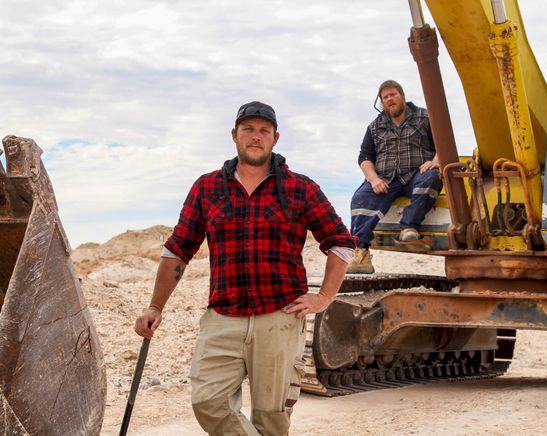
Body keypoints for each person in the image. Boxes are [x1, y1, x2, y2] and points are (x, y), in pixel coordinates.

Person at [134, 101, 356, 436]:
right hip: (223, 318)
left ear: (275, 138)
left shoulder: (300, 188)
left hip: (279, 318)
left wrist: (323, 297)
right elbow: (178, 249)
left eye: (263, 130)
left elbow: (341, 241)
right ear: (234, 135)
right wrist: (155, 306)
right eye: (248, 129)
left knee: (272, 418)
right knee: (209, 402)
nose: (256, 136)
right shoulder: (207, 188)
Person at [347, 80, 442, 274]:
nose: (389, 99)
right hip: (386, 178)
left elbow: (443, 144)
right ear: (381, 102)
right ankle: (360, 253)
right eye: (385, 97)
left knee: (432, 177)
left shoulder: (425, 117)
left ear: (403, 96)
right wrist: (373, 179)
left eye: (393, 95)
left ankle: (409, 227)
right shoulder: (375, 126)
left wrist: (435, 161)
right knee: (360, 197)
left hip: (417, 173)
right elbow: (365, 157)